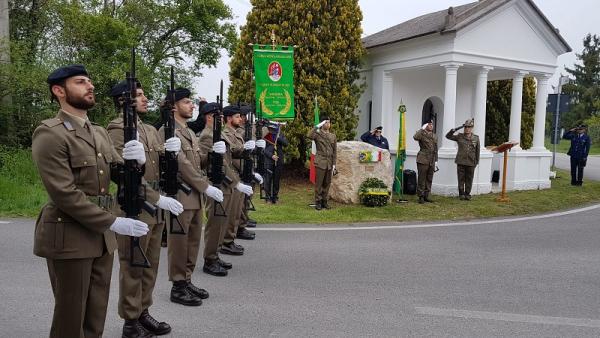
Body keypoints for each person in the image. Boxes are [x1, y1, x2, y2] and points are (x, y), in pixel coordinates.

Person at [32, 65, 150, 337]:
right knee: (70, 316)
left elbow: (117, 173)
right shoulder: (50, 133)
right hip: (69, 235)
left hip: (101, 239)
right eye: (81, 82)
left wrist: (136, 164)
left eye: (90, 81)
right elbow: (64, 194)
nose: (90, 86)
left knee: (96, 312)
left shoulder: (97, 132)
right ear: (59, 91)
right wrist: (113, 221)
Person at [107, 80, 185, 337]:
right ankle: (130, 322)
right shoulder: (118, 129)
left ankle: (143, 312)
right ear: (123, 101)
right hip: (136, 205)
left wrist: (170, 152)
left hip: (155, 205)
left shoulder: (150, 128)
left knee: (150, 264)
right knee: (133, 266)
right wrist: (156, 198)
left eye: (143, 94)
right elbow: (124, 174)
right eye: (138, 95)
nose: (144, 98)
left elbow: (158, 160)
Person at [158, 88, 224, 307]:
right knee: (179, 243)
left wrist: (213, 154)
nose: (192, 105)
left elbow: (196, 163)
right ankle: (178, 286)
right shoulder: (168, 131)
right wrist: (205, 187)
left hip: (194, 195)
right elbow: (181, 165)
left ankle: (186, 279)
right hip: (181, 195)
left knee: (193, 241)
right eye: (187, 102)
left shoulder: (187, 131)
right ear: (174, 106)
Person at [196, 102, 243, 276]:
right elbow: (206, 162)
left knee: (222, 221)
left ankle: (215, 255)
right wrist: (234, 181)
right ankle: (209, 260)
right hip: (216, 183)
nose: (222, 118)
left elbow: (229, 158)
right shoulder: (208, 136)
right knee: (214, 224)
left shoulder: (220, 133)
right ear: (209, 117)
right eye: (219, 116)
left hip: (225, 183)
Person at [220, 105, 257, 255]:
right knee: (232, 212)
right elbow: (231, 157)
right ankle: (227, 241)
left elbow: (238, 152)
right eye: (237, 116)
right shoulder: (226, 134)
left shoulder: (235, 133)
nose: (241, 119)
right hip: (233, 176)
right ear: (229, 118)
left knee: (237, 210)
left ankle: (232, 237)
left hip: (239, 175)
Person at [236, 104, 264, 229]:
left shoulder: (249, 128)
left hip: (252, 163)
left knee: (249, 194)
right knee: (243, 196)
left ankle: (245, 217)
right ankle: (242, 220)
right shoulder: (239, 130)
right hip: (243, 166)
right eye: (248, 115)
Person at [445, 118, 480, 200]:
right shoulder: (459, 136)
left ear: (472, 128)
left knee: (469, 179)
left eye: (469, 127)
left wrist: (476, 162)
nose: (467, 129)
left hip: (471, 162)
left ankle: (467, 194)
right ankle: (461, 194)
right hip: (461, 161)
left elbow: (477, 151)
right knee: (460, 178)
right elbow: (448, 136)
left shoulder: (476, 138)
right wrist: (454, 130)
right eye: (466, 127)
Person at [308, 116, 337, 210]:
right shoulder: (317, 134)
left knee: (327, 184)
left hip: (329, 162)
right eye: (325, 122)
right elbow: (309, 135)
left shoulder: (333, 136)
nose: (328, 124)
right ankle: (318, 202)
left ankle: (325, 201)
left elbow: (335, 151)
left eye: (329, 122)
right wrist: (317, 126)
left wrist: (334, 164)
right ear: (322, 124)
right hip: (320, 161)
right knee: (319, 184)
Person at [414, 119, 438, 204]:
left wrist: (436, 161)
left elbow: (436, 149)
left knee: (429, 178)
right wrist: (422, 129)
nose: (431, 126)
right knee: (422, 178)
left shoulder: (434, 136)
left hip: (432, 159)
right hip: (423, 158)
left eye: (432, 124)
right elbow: (415, 137)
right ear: (425, 125)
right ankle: (420, 196)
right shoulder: (421, 133)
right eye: (429, 124)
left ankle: (426, 196)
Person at [263, 121, 288, 204]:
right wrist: (271, 156)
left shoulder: (280, 135)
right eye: (272, 128)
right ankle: (268, 198)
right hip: (269, 160)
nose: (273, 130)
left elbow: (286, 144)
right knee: (268, 179)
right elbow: (263, 150)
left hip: (279, 160)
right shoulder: (266, 136)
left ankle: (275, 197)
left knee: (276, 180)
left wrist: (278, 137)